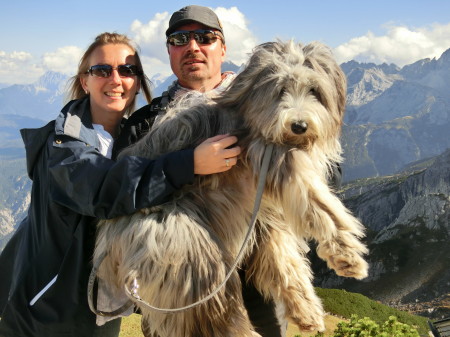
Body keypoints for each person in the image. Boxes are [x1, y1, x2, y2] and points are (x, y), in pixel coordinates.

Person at [0, 32, 241, 337]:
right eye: (102, 70)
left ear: (137, 83)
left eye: (127, 71)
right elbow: (105, 191)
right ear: (84, 81)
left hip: (100, 314)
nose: (116, 79)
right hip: (43, 319)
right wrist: (191, 163)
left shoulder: (134, 140)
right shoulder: (62, 144)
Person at [115, 5, 304, 337]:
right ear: (170, 52)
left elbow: (325, 177)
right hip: (175, 296)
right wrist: (189, 164)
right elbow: (119, 196)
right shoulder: (143, 124)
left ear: (223, 48)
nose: (193, 47)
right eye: (180, 39)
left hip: (256, 295)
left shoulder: (263, 107)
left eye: (205, 37)